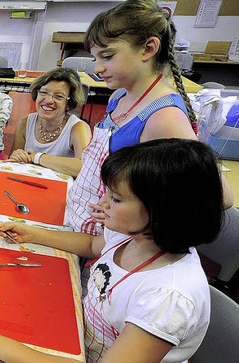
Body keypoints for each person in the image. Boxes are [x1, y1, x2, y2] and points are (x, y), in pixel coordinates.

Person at [0, 139, 224, 363]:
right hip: (82, 346)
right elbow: (93, 245)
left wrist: (3, 348)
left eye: (115, 199)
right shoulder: (137, 233)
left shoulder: (168, 296)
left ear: (163, 212)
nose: (102, 204)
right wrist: (32, 234)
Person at [66, 0, 215, 236]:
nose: (98, 68)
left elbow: (214, 194)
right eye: (95, 58)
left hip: (112, 238)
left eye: (107, 56)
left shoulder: (164, 117)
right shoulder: (119, 96)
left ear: (148, 48)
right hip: (84, 217)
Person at [8, 68, 91, 177]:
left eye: (59, 96)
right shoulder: (24, 122)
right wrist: (17, 156)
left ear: (69, 104)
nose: (48, 101)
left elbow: (85, 168)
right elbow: (14, 163)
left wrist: (37, 157)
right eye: (43, 93)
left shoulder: (78, 128)